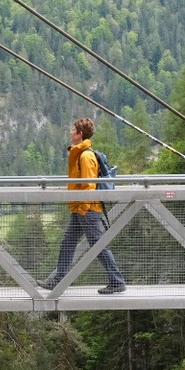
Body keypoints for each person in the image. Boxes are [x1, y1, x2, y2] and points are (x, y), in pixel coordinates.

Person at [40, 117, 127, 294]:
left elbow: (89, 184)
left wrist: (83, 207)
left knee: (98, 245)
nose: (71, 132)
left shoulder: (86, 156)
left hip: (87, 209)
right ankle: (58, 280)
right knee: (68, 243)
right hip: (81, 207)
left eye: (74, 130)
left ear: (80, 135)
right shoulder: (80, 153)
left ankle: (117, 281)